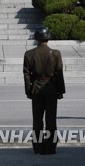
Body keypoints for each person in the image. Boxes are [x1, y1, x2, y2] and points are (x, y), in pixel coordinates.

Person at [23, 26, 65, 155]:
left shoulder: (29, 54)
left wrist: (29, 90)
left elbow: (26, 74)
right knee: (51, 120)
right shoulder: (56, 53)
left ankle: (38, 147)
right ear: (48, 38)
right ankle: (50, 148)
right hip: (51, 89)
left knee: (37, 120)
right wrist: (61, 90)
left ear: (36, 38)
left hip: (36, 89)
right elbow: (59, 73)